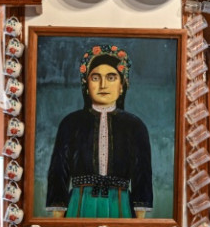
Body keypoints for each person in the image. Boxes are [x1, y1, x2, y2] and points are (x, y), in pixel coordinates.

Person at [46, 44, 153, 218]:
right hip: (79, 204)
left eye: (111, 78)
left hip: (120, 204)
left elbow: (143, 175)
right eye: (96, 78)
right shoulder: (70, 123)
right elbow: (58, 171)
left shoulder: (135, 126)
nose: (103, 85)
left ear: (121, 86)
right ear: (87, 85)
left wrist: (139, 220)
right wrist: (57, 218)